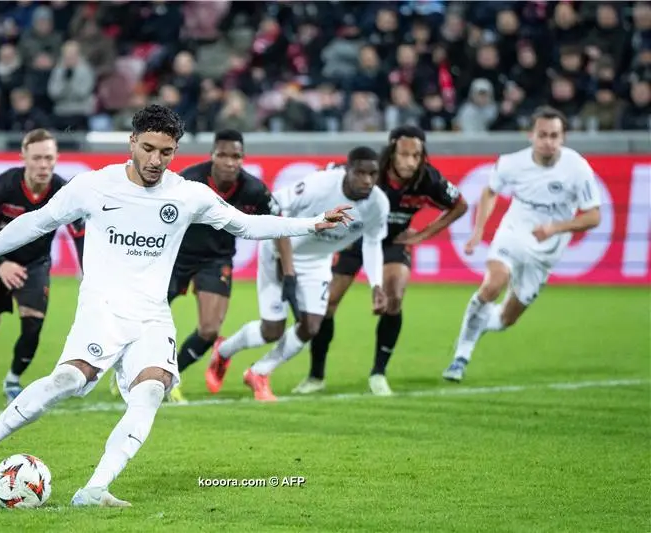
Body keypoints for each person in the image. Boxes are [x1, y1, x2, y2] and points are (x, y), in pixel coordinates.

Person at [0, 104, 353, 507]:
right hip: (103, 309)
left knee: (151, 390)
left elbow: (247, 224)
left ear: (176, 151)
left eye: (166, 152)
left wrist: (312, 223)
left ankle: (94, 490)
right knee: (66, 382)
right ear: (131, 142)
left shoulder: (188, 195)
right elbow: (35, 222)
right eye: (148, 148)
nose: (156, 159)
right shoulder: (94, 186)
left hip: (151, 315)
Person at [205, 147, 391, 401]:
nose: (367, 180)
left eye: (373, 174)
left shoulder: (378, 203)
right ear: (347, 170)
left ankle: (259, 372)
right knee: (272, 330)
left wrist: (376, 285)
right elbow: (275, 205)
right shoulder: (319, 185)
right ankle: (223, 351)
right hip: (279, 252)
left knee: (311, 325)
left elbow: (372, 243)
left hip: (317, 262)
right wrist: (286, 263)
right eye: (361, 172)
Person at [296, 125, 469, 396]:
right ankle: (316, 376)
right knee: (327, 304)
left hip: (392, 242)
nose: (410, 162)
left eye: (416, 155)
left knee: (394, 297)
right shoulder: (370, 172)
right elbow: (330, 175)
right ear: (392, 151)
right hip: (354, 240)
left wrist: (422, 235)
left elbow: (460, 205)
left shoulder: (429, 179)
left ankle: (378, 373)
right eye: (404, 154)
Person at [133, 128, 297, 403]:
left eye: (236, 156)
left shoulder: (254, 190)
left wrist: (289, 274)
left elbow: (279, 225)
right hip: (176, 256)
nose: (230, 162)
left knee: (209, 330)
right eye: (223, 155)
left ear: (243, 158)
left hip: (216, 259)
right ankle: (128, 372)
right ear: (212, 155)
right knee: (145, 319)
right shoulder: (189, 180)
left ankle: (169, 380)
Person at [442, 106, 602, 382]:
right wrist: (479, 231)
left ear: (563, 138)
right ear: (531, 135)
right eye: (543, 135)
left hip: (546, 251)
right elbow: (490, 191)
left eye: (554, 136)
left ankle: (476, 324)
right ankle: (461, 356)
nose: (548, 142)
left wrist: (556, 227)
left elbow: (594, 216)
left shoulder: (577, 168)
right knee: (493, 284)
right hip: (513, 234)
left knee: (506, 319)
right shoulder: (511, 163)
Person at [0, 128, 85, 402]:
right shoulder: (2, 186)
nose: (43, 165)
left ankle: (12, 381)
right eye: (37, 158)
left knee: (33, 325)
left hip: (35, 263)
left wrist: (87, 273)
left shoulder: (63, 191)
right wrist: (1, 264)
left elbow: (80, 235)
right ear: (23, 157)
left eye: (49, 158)